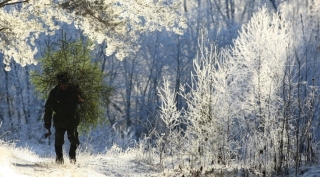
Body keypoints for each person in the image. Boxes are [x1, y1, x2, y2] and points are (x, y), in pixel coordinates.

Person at [44, 72, 84, 164]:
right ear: (59, 83)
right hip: (59, 120)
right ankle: (59, 159)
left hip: (72, 120)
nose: (64, 86)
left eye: (65, 84)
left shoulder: (74, 90)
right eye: (62, 84)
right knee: (58, 140)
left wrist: (79, 92)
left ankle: (72, 155)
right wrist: (47, 122)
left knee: (74, 139)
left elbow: (82, 101)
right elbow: (48, 108)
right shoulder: (54, 93)